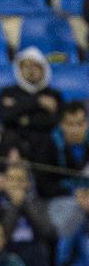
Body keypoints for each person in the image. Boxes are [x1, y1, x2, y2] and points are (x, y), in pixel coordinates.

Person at [0, 162, 56, 266]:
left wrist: (26, 205)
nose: (15, 184)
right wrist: (15, 206)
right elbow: (2, 234)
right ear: (4, 182)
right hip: (6, 253)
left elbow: (48, 232)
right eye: (11, 179)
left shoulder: (37, 203)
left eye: (20, 180)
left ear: (28, 183)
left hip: (34, 253)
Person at [34, 101, 89, 241]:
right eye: (70, 124)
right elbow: (43, 186)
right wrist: (74, 193)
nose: (75, 130)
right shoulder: (48, 144)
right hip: (59, 200)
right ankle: (63, 254)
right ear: (62, 124)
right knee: (75, 210)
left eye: (80, 124)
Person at [0, 46, 64, 154]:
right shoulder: (7, 93)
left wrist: (21, 113)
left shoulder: (53, 94)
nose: (31, 70)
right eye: (26, 66)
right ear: (19, 69)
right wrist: (37, 102)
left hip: (46, 146)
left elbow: (54, 122)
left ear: (44, 68)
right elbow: (5, 118)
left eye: (35, 66)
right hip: (15, 145)